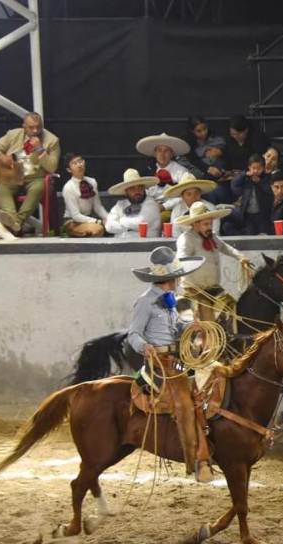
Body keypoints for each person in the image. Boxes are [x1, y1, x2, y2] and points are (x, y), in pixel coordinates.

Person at [127, 246, 211, 483]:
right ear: (169, 278)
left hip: (177, 359)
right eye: (178, 275)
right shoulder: (145, 302)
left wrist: (190, 327)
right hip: (160, 363)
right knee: (184, 403)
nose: (180, 279)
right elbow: (133, 334)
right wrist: (146, 348)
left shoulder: (169, 301)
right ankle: (194, 460)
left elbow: (175, 329)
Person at [175, 201, 251, 321]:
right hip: (195, 291)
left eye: (210, 224)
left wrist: (240, 256)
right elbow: (181, 260)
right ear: (195, 224)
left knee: (231, 311)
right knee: (209, 325)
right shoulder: (186, 239)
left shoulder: (213, 236)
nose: (209, 227)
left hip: (213, 288)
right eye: (205, 224)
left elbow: (225, 247)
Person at [0, 111, 60, 236]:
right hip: (13, 174)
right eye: (31, 127)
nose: (35, 130)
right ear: (24, 126)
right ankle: (12, 219)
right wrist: (1, 156)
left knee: (39, 187)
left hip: (35, 176)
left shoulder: (52, 140)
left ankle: (16, 222)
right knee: (2, 189)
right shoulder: (13, 135)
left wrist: (40, 149)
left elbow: (52, 167)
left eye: (38, 127)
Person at [136, 132, 194, 203]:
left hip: (173, 208)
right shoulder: (148, 170)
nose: (162, 154)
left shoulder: (181, 171)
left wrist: (165, 206)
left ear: (172, 154)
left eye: (166, 151)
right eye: (159, 150)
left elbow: (185, 195)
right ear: (155, 153)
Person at [225, 154, 273, 236]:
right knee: (250, 234)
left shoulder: (267, 178)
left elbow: (270, 190)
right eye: (253, 168)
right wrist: (244, 174)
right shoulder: (246, 178)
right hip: (248, 214)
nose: (256, 171)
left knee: (263, 234)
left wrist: (259, 182)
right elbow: (234, 185)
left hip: (262, 214)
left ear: (264, 168)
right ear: (249, 168)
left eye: (259, 168)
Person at [60, 153, 107, 238]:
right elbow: (75, 215)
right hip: (73, 221)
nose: (79, 165)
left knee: (111, 226)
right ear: (69, 170)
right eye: (74, 163)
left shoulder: (92, 181)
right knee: (98, 229)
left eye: (80, 161)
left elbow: (98, 207)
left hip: (88, 219)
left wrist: (108, 219)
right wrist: (98, 221)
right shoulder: (68, 187)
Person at [105, 169, 162, 238]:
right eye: (132, 188)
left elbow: (139, 222)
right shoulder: (120, 204)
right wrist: (128, 228)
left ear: (144, 188)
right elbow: (109, 226)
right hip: (120, 246)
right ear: (126, 191)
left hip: (146, 246)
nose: (137, 191)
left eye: (140, 187)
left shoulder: (151, 204)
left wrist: (120, 220)